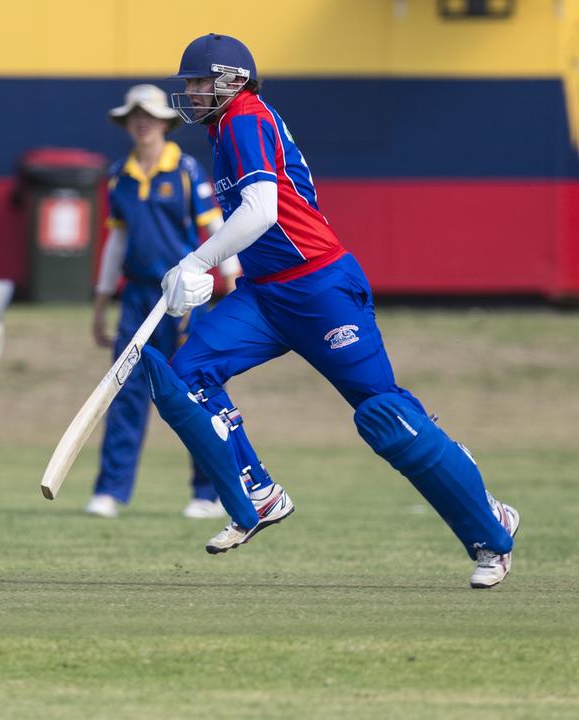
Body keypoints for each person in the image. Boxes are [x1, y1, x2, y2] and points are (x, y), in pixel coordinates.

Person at [144, 34, 517, 588]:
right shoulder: (224, 129)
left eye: (200, 83)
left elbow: (262, 212)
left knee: (385, 416)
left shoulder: (245, 117)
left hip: (319, 288)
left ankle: (491, 530)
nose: (192, 94)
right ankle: (258, 493)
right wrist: (211, 270)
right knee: (187, 375)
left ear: (231, 80)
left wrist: (196, 263)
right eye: (191, 85)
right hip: (265, 294)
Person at [85, 83, 239, 521]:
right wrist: (100, 303)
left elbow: (218, 228)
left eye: (149, 113)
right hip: (136, 297)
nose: (142, 120)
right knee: (125, 391)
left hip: (186, 298)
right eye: (134, 114)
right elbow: (116, 241)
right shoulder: (120, 175)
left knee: (196, 390)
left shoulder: (187, 170)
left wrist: (232, 281)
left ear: (165, 123)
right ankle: (111, 491)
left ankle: (209, 493)